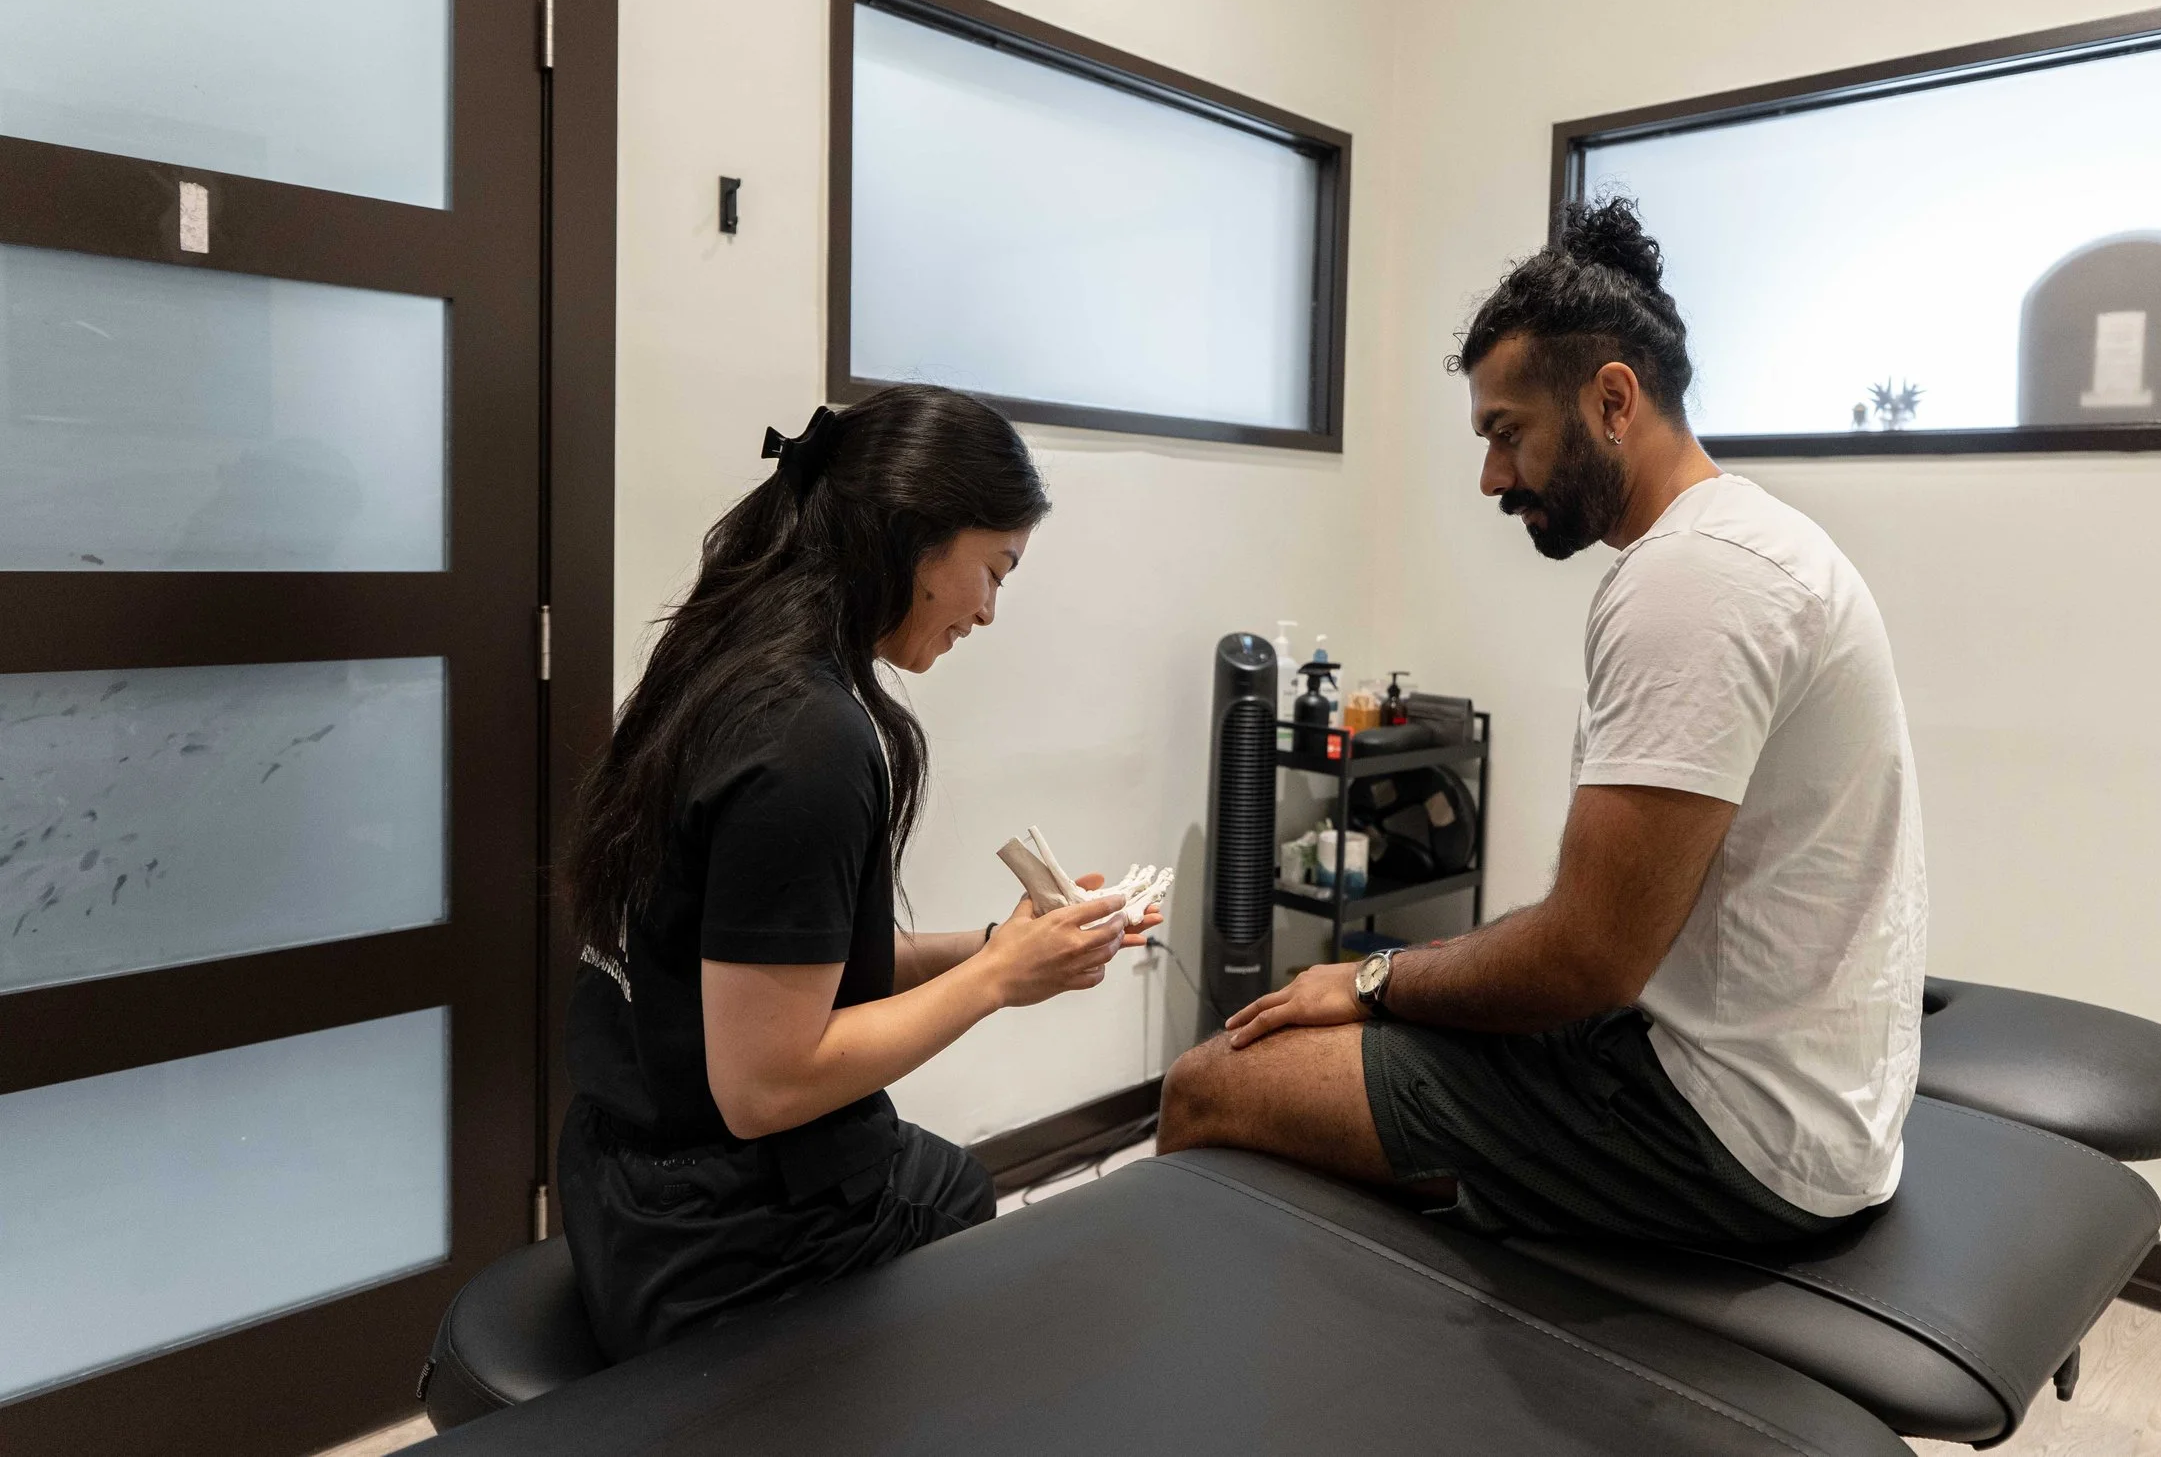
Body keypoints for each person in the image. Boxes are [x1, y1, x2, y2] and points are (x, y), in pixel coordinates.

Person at [1158, 196, 1926, 1248]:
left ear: (1614, 400)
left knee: (1210, 1085)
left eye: (1506, 434)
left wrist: (1371, 977)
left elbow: (1584, 960)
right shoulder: (1754, 541)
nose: (1490, 476)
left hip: (1724, 1134)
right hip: (1803, 1106)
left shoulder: (1691, 579)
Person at [560, 384, 1155, 1360]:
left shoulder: (726, 659)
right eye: (994, 569)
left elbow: (776, 964)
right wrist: (999, 980)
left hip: (629, 1166)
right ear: (920, 535)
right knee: (1028, 1295)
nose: (990, 611)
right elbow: (765, 1082)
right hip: (718, 1233)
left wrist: (995, 944)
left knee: (954, 1178)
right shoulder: (810, 738)